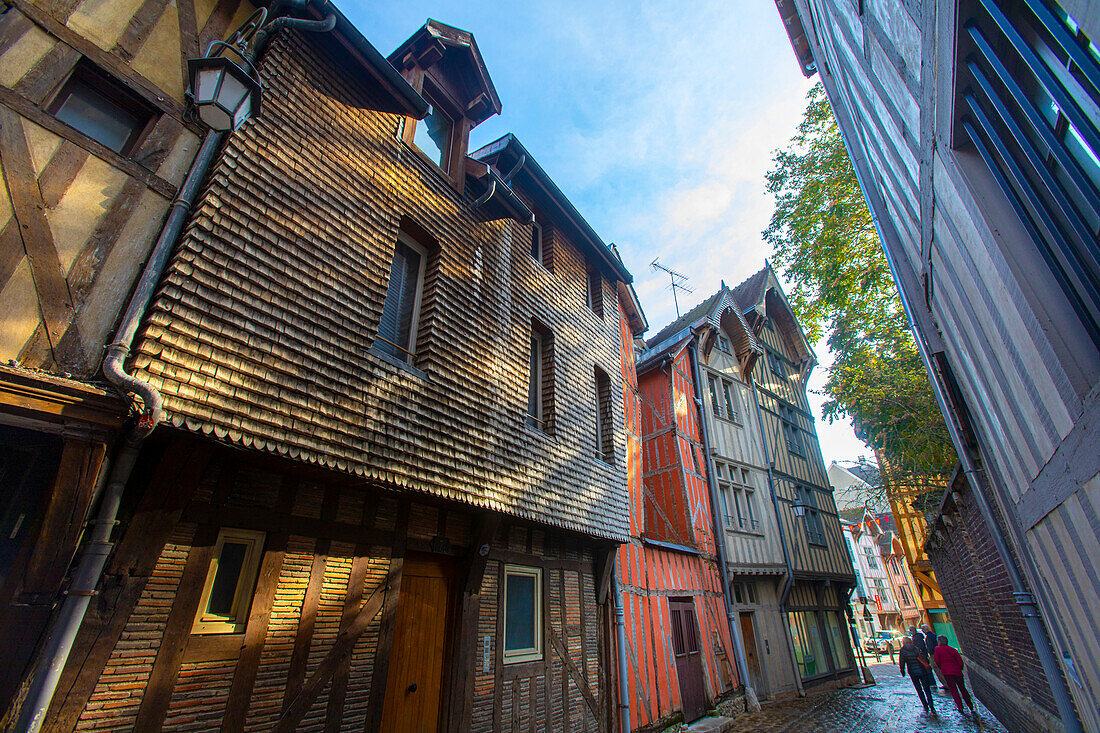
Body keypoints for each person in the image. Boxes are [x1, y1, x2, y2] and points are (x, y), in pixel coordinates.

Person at [934, 635, 978, 719]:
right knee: (963, 688)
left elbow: (937, 661)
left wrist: (942, 668)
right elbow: (960, 661)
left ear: (939, 641)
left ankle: (960, 707)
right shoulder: (953, 650)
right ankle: (970, 705)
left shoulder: (937, 649)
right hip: (957, 671)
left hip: (947, 672)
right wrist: (959, 668)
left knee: (953, 689)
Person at [899, 636, 937, 714]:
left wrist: (902, 670)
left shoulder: (903, 650)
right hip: (921, 670)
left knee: (919, 689)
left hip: (912, 671)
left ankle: (925, 705)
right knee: (927, 688)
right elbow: (923, 657)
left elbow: (902, 661)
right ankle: (931, 704)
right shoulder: (916, 648)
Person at [922, 624, 948, 689]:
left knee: (938, 669)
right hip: (939, 653)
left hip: (934, 654)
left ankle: (945, 683)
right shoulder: (934, 635)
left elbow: (930, 647)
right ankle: (947, 683)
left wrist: (929, 652)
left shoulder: (928, 637)